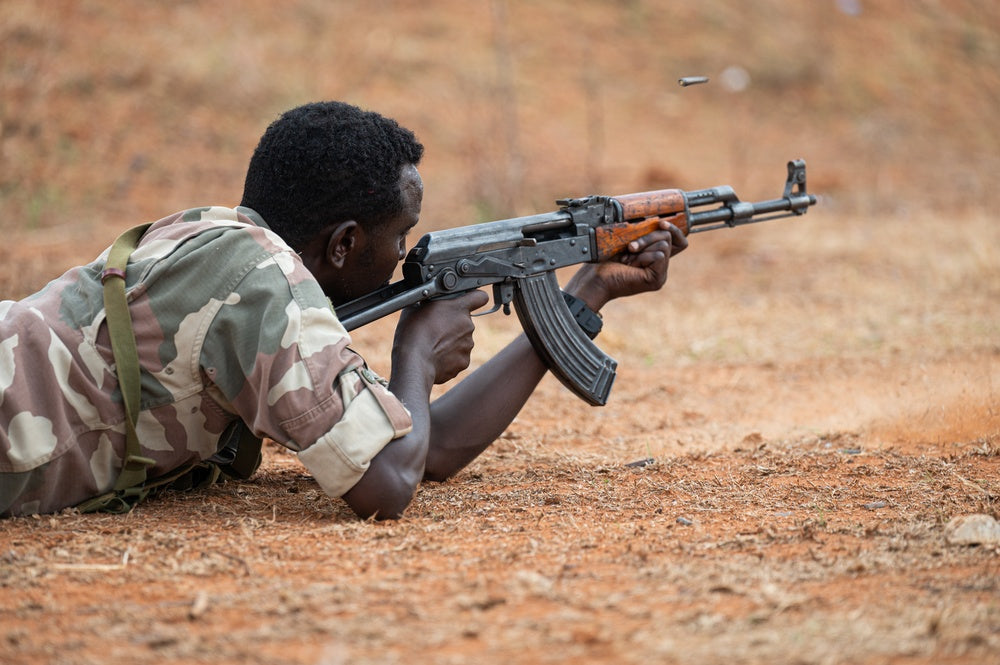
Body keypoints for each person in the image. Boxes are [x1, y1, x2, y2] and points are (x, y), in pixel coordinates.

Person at [0, 101, 686, 520]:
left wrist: (585, 294)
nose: (405, 254)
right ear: (343, 243)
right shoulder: (263, 281)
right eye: (400, 236)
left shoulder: (220, 244)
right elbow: (389, 483)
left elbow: (425, 447)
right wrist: (414, 353)